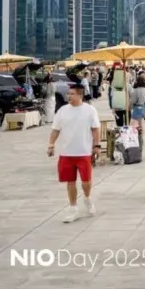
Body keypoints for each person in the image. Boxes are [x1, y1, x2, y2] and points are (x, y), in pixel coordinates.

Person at [47, 86, 101, 223]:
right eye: (68, 94)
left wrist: (96, 146)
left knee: (86, 182)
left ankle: (87, 198)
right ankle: (73, 208)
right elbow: (55, 130)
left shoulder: (90, 110)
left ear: (80, 96)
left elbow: (95, 129)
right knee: (70, 181)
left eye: (72, 94)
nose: (68, 96)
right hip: (67, 153)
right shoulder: (62, 111)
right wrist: (51, 144)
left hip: (84, 152)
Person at [129, 78, 145, 151]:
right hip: (143, 107)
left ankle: (137, 141)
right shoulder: (144, 90)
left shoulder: (136, 90)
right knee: (141, 125)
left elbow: (132, 101)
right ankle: (141, 140)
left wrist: (130, 106)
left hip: (137, 108)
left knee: (134, 126)